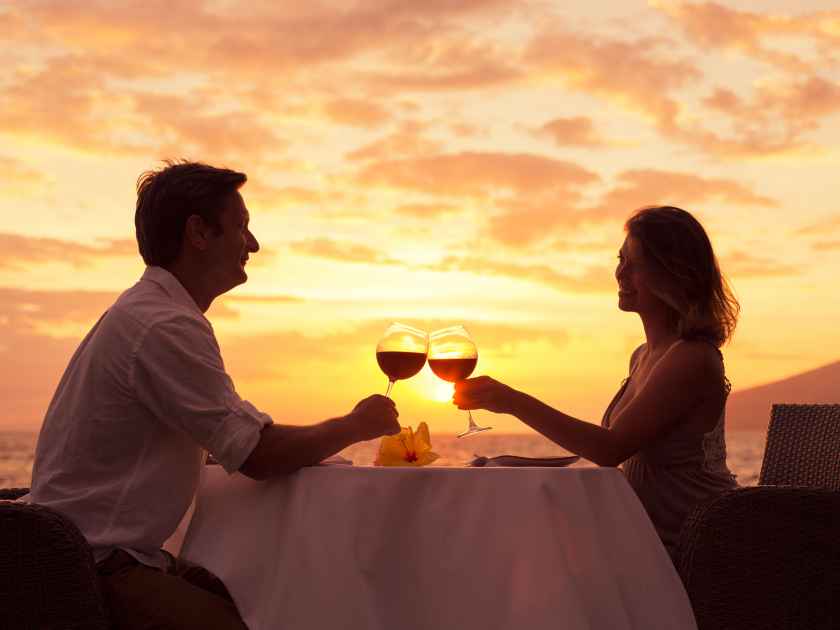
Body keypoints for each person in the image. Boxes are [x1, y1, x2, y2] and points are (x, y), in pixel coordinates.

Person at [27, 161, 401, 629]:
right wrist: (355, 425)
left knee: (258, 596)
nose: (253, 244)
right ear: (199, 233)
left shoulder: (144, 311)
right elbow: (257, 454)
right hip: (97, 567)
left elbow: (219, 436)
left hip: (85, 554)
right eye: (242, 226)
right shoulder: (164, 325)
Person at [454, 205, 739, 559]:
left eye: (633, 263)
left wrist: (513, 401)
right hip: (638, 535)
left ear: (671, 273)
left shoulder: (692, 358)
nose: (620, 273)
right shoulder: (643, 355)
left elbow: (609, 449)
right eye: (620, 260)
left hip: (691, 547)